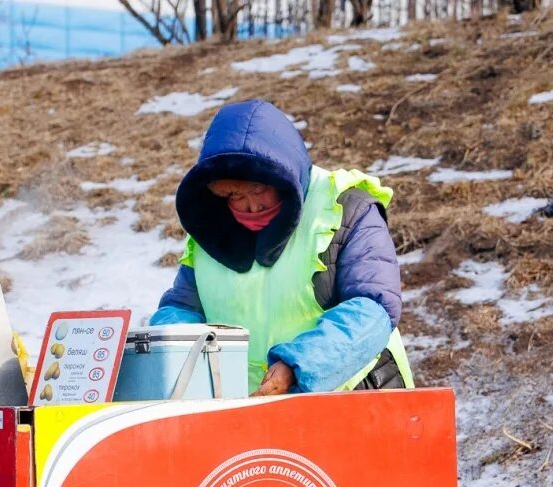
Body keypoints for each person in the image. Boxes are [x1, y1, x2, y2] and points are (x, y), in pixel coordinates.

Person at [151, 99, 414, 396]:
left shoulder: (345, 209)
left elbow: (373, 309)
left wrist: (298, 365)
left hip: (354, 398)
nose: (251, 206)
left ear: (282, 174)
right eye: (234, 195)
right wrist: (168, 351)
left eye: (258, 189)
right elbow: (182, 307)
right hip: (250, 410)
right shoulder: (209, 229)